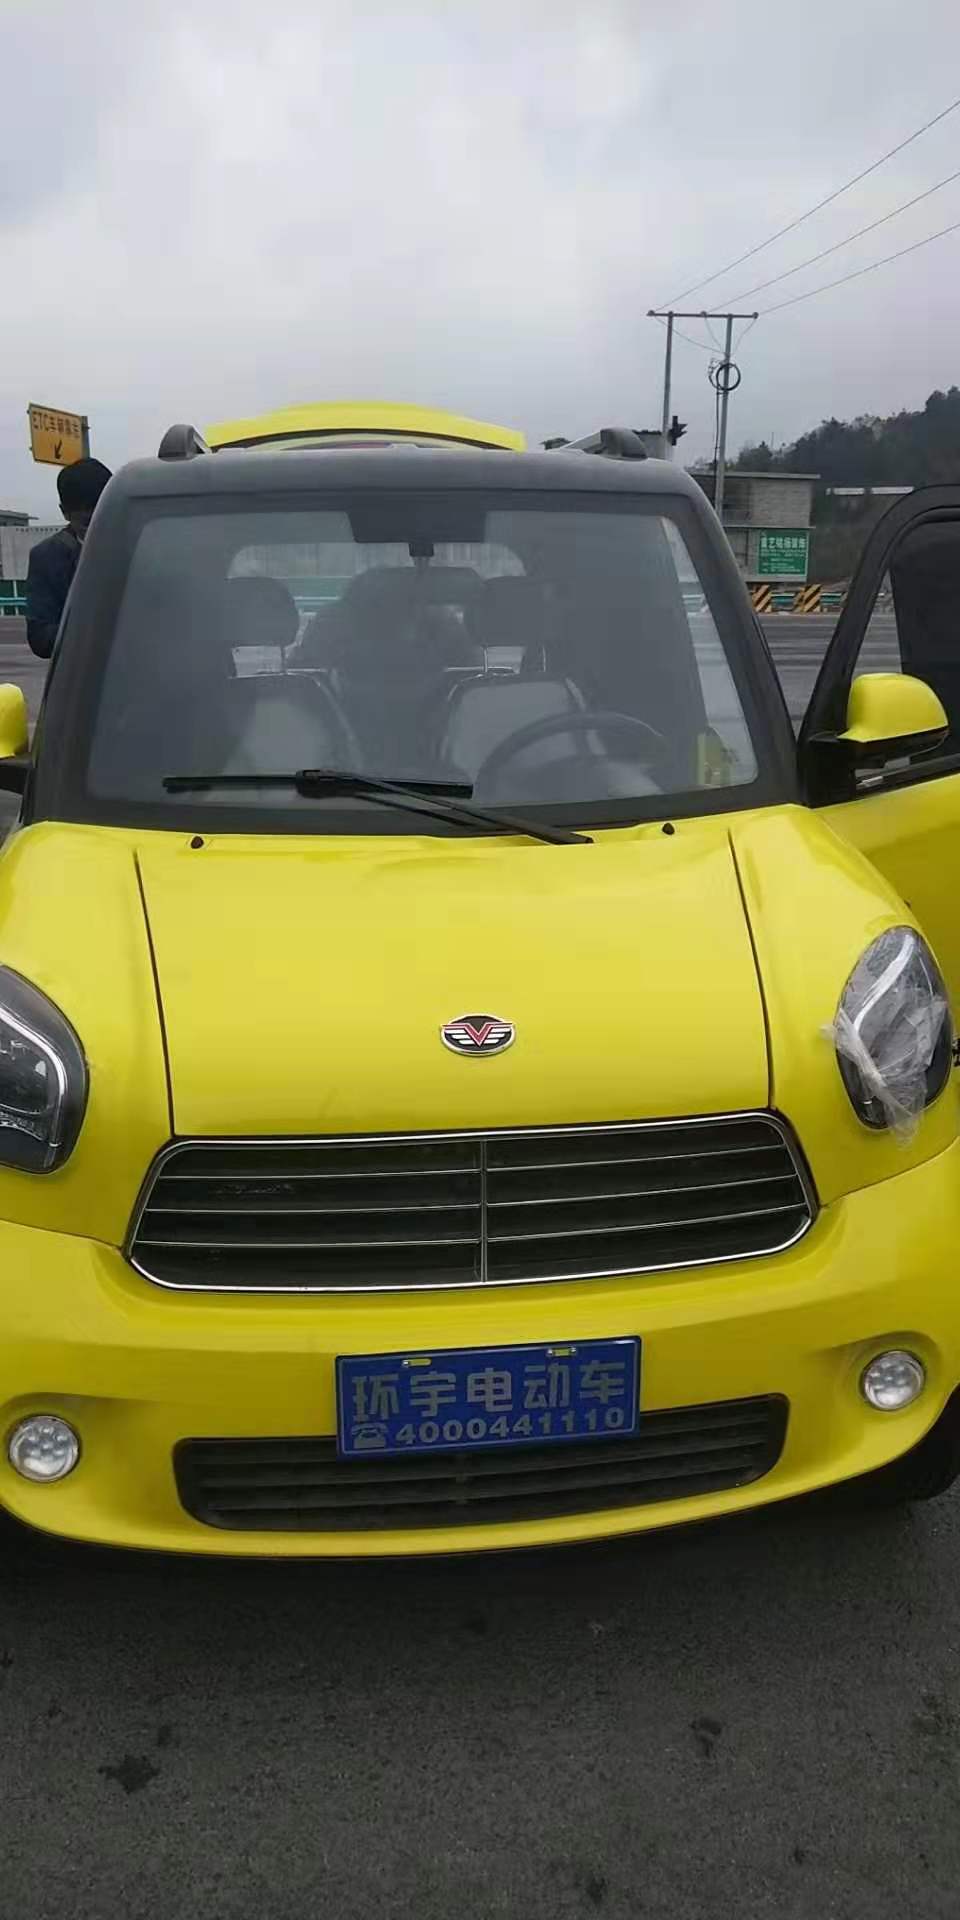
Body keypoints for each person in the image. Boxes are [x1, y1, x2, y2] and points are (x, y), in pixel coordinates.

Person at [25, 457, 112, 659]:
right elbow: (40, 639)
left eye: (106, 515)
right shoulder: (47, 558)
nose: (98, 527)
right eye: (87, 522)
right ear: (65, 512)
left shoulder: (141, 543)